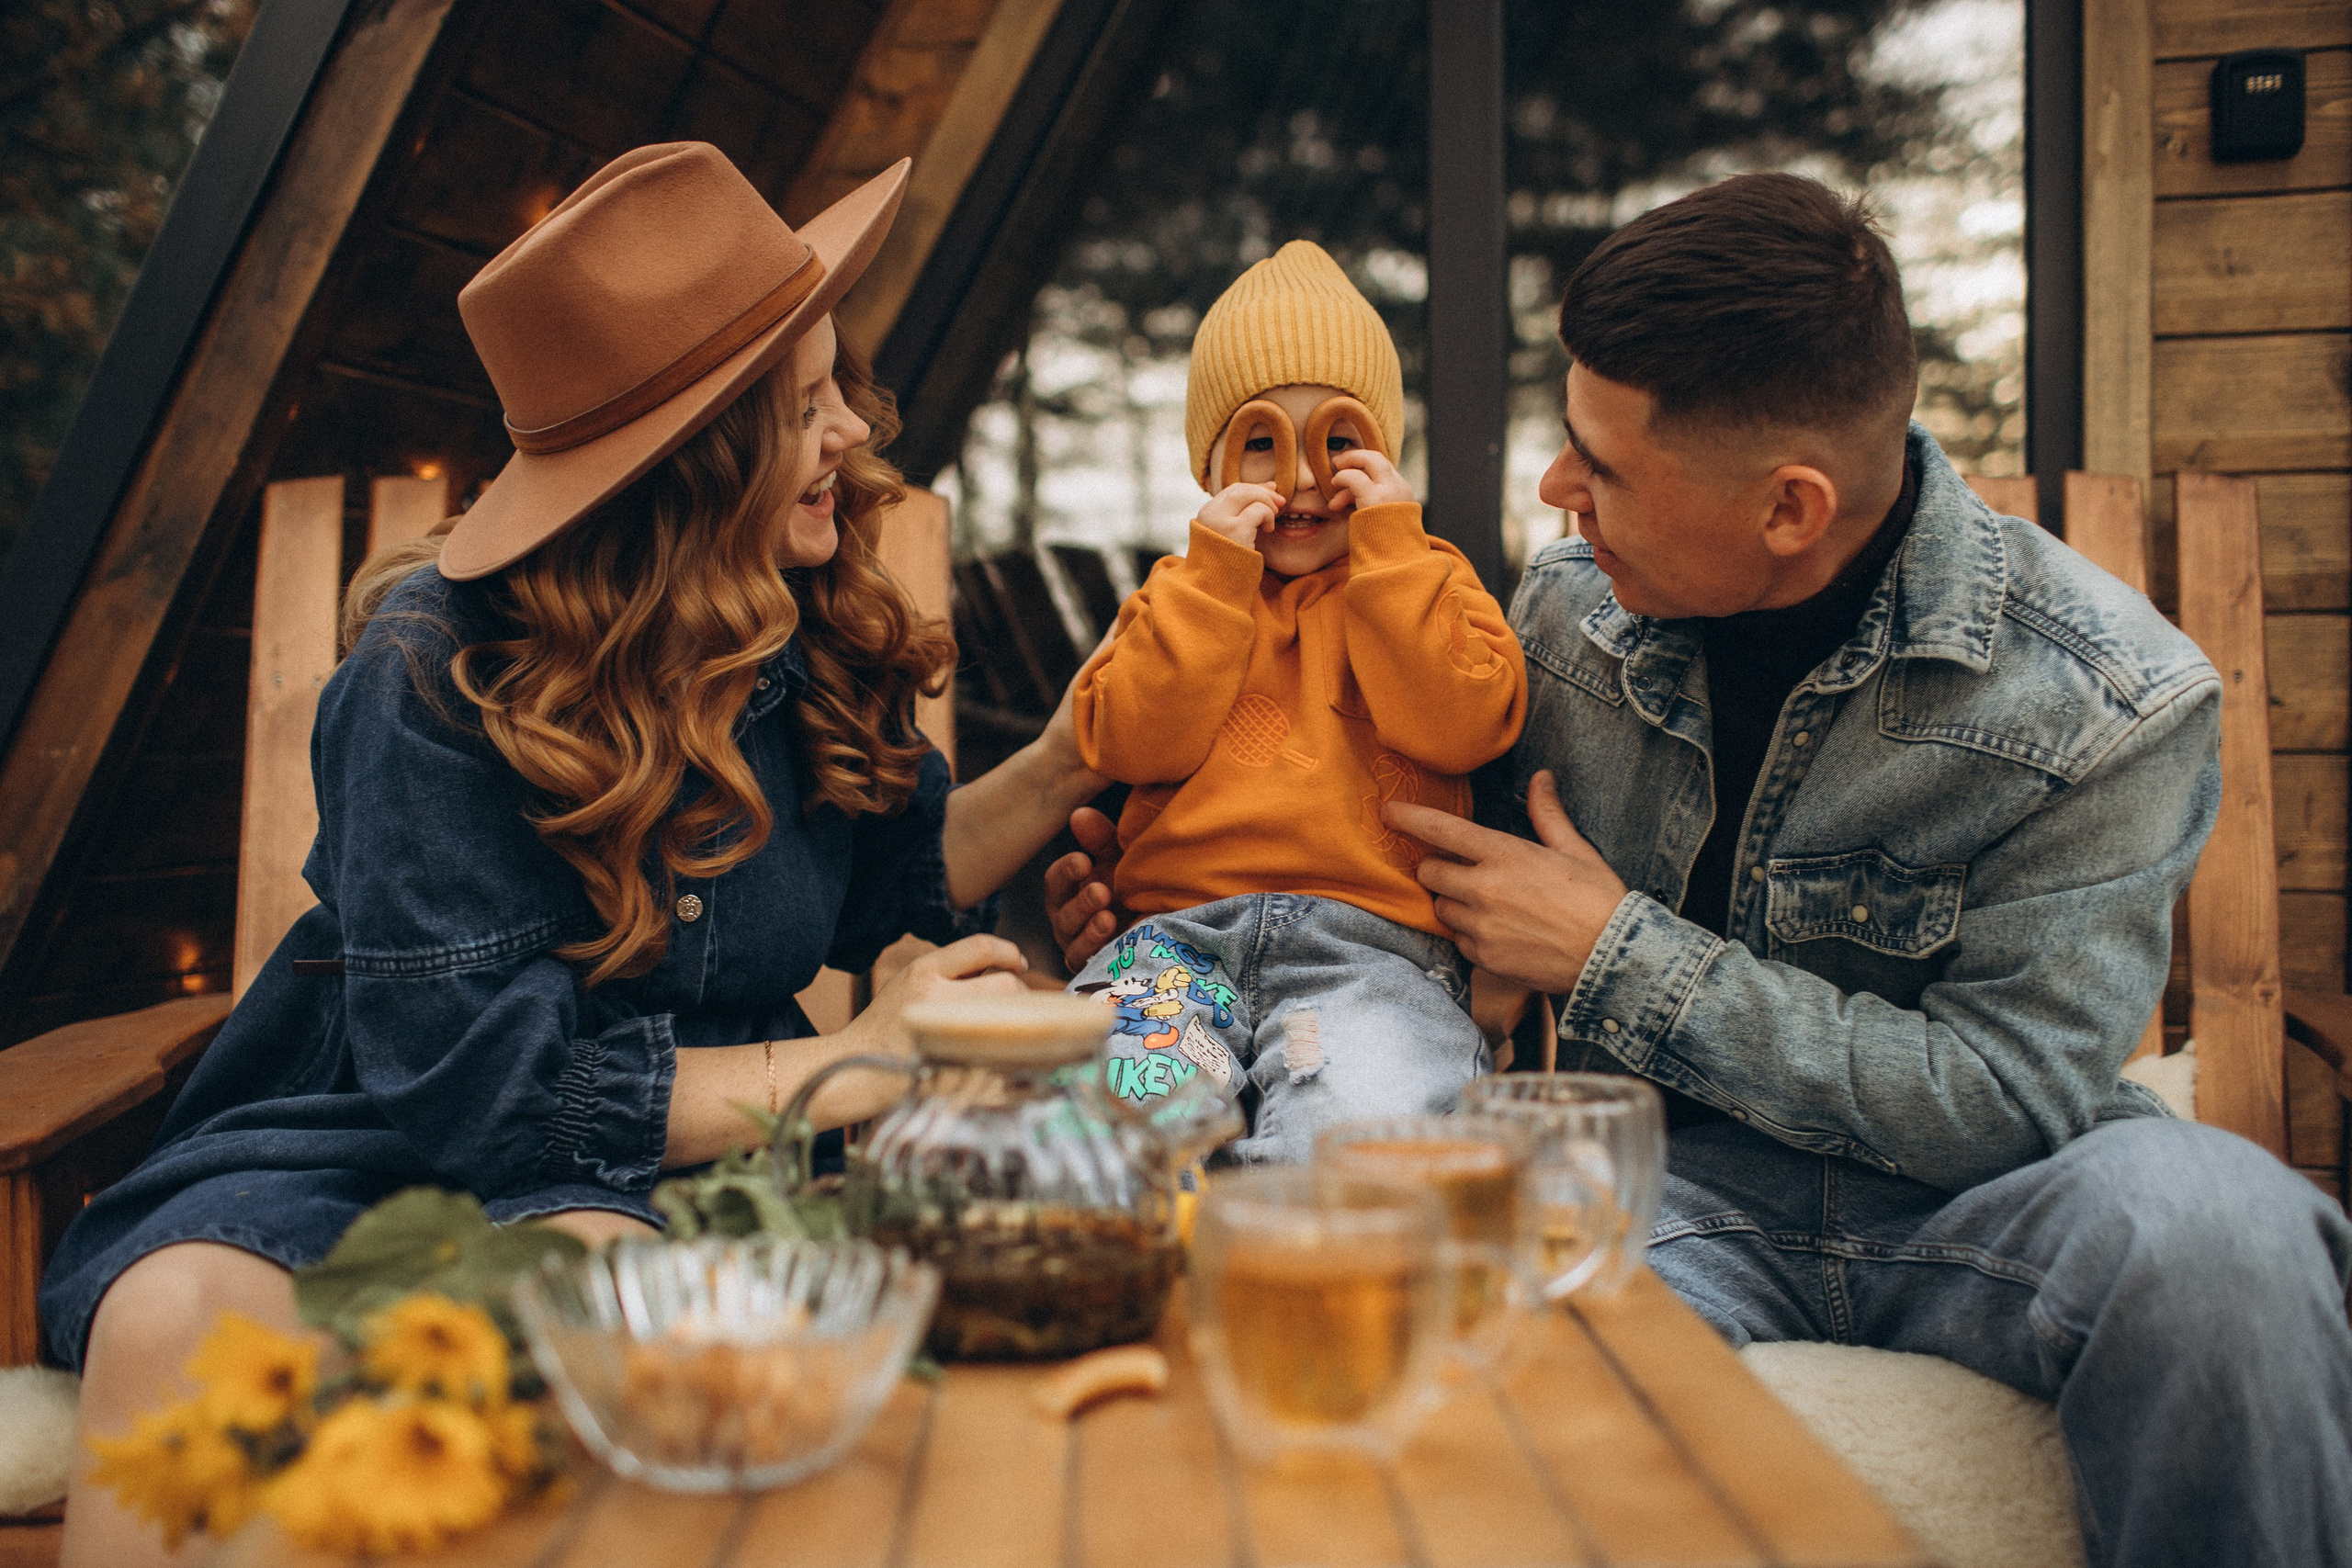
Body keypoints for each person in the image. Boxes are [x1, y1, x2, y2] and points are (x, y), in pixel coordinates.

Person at [1053, 174, 2352, 1563]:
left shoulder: (2110, 700)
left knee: (2232, 1230)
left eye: (1600, 467)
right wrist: (1178, 908)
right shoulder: (1567, 613)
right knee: (1450, 1284)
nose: (1555, 493)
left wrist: (1620, 956)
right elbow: (1410, 861)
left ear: (1788, 508)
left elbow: (2011, 1096)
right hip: (1646, 1189)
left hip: (1992, 1197)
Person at [46, 143, 1105, 1567]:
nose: (856, 431)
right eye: (808, 406)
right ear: (695, 462)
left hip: (691, 1162)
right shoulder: (428, 679)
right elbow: (487, 1092)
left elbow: (894, 868)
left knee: (609, 1293)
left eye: (841, 383)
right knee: (167, 1315)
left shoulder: (798, 625)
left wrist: (1073, 755)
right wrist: (875, 1058)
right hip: (384, 1133)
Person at [1064, 241, 1526, 1161]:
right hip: (1176, 951)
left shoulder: (1426, 579)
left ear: (1385, 456)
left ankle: (1298, 1274)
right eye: (1262, 444)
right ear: (1210, 467)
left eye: (1340, 443)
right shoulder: (1183, 593)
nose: (1305, 479)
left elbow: (1464, 722)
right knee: (1109, 1120)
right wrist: (1212, 583)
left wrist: (1392, 552)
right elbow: (1124, 741)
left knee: (1357, 1132)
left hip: (1374, 957)